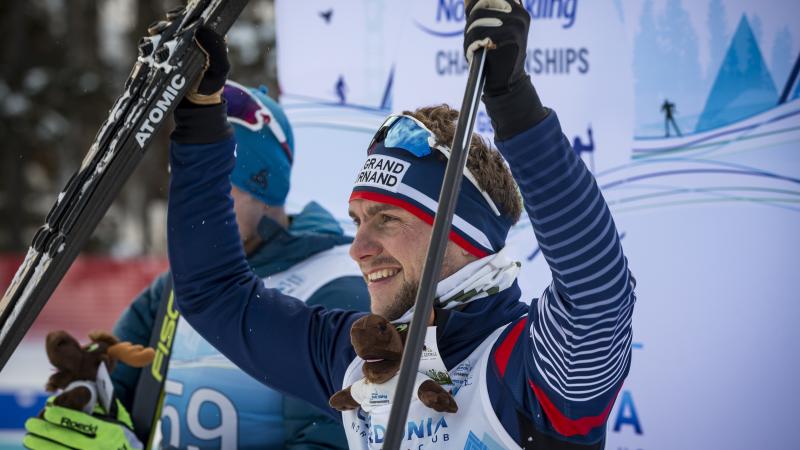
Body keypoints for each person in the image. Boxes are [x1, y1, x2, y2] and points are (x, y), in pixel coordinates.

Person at [122, 2, 635, 448]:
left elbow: (598, 294)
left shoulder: (527, 369)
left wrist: (510, 99)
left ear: (461, 233)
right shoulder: (355, 355)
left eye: (386, 219)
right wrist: (201, 121)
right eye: (357, 221)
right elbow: (214, 295)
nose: (358, 247)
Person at [22, 76, 369, 450]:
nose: (200, 213)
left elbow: (339, 438)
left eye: (218, 192)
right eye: (192, 193)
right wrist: (88, 408)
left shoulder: (337, 285)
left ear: (263, 186)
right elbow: (115, 393)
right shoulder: (174, 287)